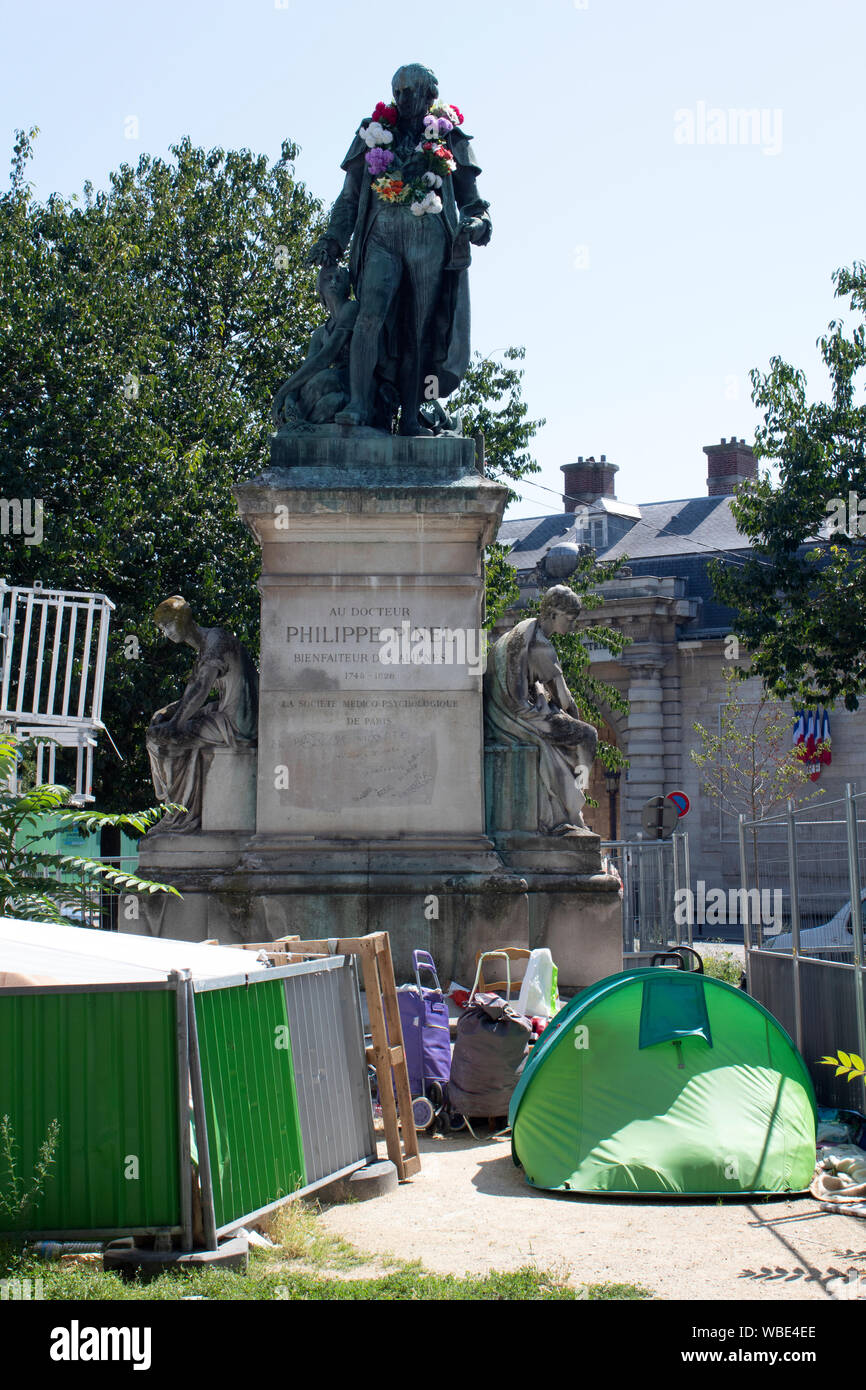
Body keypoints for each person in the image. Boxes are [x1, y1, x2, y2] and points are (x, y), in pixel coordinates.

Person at [307, 62, 491, 435]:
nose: (403, 98)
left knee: (417, 331)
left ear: (430, 96)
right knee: (369, 315)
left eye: (410, 91)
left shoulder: (451, 138)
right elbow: (349, 199)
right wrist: (332, 240)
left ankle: (409, 419)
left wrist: (479, 224)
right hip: (381, 238)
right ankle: (359, 405)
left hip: (430, 246)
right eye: (398, 92)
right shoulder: (372, 133)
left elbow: (474, 203)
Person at [484, 587, 598, 834]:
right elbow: (564, 698)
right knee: (588, 736)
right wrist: (576, 721)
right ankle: (576, 799)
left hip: (500, 710)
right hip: (521, 715)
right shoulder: (542, 646)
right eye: (569, 619)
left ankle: (572, 796)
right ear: (554, 613)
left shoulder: (522, 631)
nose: (572, 625)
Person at [146, 596, 258, 833]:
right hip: (231, 714)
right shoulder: (210, 643)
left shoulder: (214, 643)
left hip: (236, 724)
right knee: (164, 729)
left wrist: (174, 724)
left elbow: (199, 690)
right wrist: (166, 713)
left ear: (182, 619)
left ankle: (178, 816)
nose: (166, 632)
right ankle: (179, 810)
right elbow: (195, 694)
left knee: (162, 741)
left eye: (168, 624)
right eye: (162, 628)